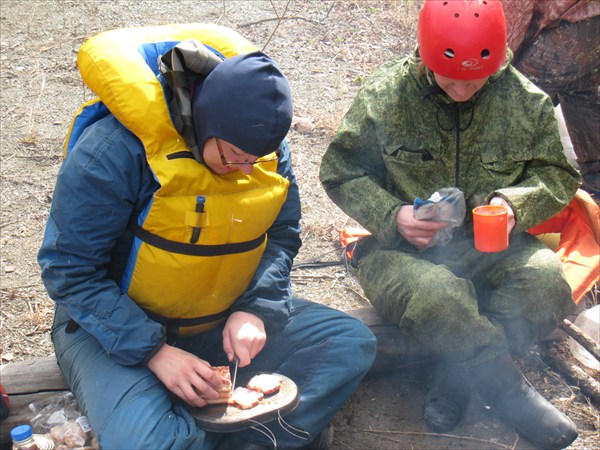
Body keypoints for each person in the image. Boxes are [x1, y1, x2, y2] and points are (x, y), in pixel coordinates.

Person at [38, 24, 376, 450]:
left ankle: (246, 442)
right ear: (205, 123)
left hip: (217, 314)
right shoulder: (114, 153)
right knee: (149, 444)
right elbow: (69, 271)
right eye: (233, 157)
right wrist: (154, 352)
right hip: (115, 328)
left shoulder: (259, 151)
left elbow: (282, 234)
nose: (247, 171)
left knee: (349, 342)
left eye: (257, 160)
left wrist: (256, 308)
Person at [320, 1, 581, 449]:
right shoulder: (386, 96)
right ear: (425, 55)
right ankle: (509, 392)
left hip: (496, 247)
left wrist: (514, 205)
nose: (462, 89)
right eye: (450, 78)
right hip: (397, 252)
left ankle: (457, 374)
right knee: (438, 296)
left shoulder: (524, 101)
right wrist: (393, 215)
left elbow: (558, 175)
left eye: (475, 79)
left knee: (545, 283)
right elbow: (340, 170)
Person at [503, 0, 600, 196]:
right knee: (579, 90)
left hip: (578, 24)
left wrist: (500, 67)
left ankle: (514, 186)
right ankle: (596, 174)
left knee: (517, 91)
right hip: (591, 20)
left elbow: (513, 19)